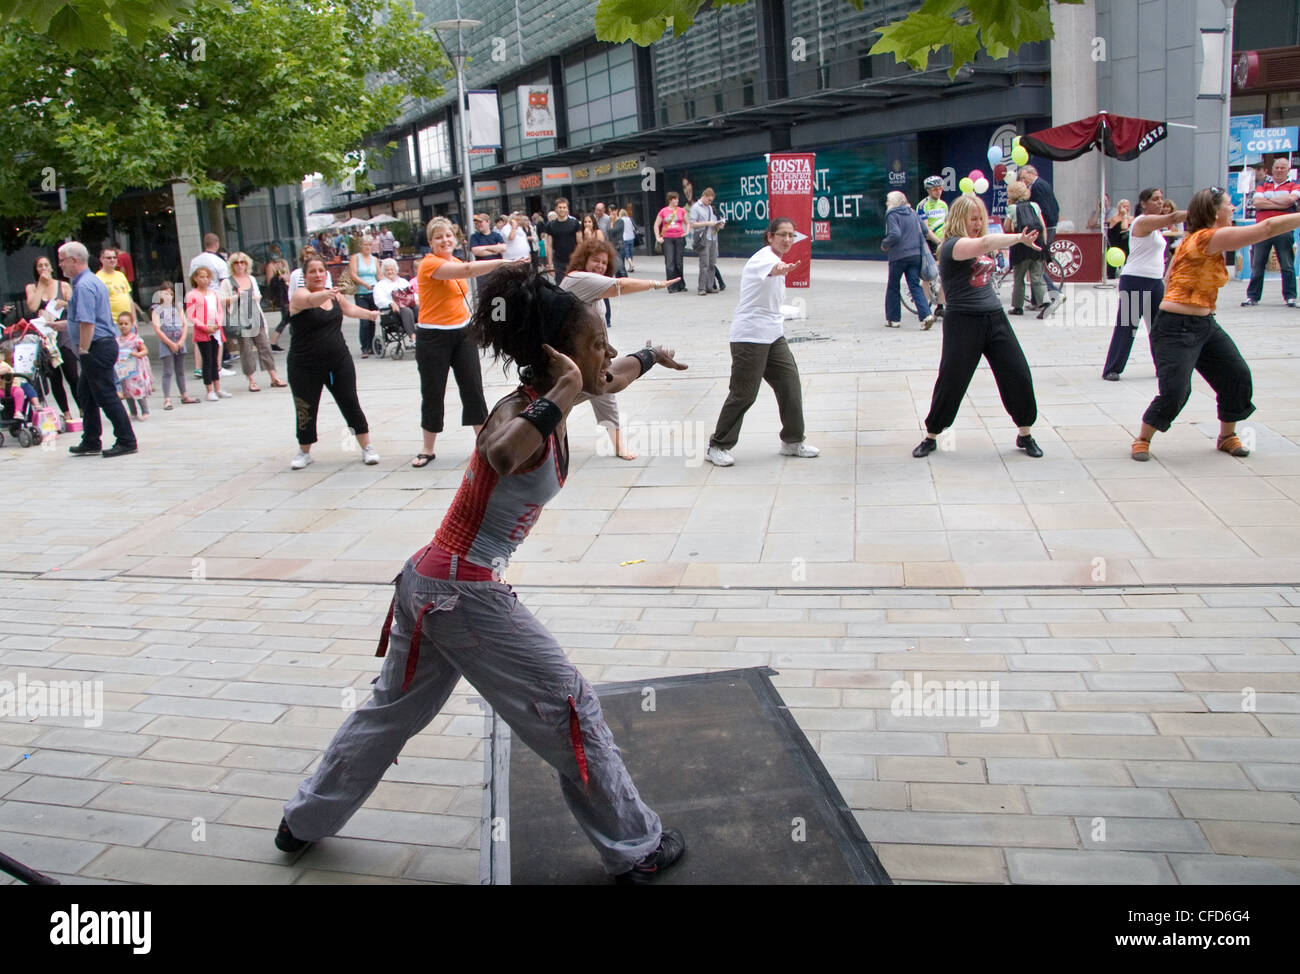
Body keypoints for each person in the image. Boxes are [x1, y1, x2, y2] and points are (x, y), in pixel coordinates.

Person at [274, 262, 689, 884]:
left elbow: (612, 376)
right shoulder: (518, 411)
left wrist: (650, 354)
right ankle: (637, 848)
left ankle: (301, 822)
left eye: (607, 342)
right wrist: (562, 394)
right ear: (557, 355)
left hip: (431, 585)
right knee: (571, 706)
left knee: (390, 713)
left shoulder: (566, 388)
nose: (607, 354)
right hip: (461, 594)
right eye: (595, 341)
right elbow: (502, 452)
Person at [1131, 188, 1300, 461]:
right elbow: (1267, 228)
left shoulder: (1194, 240)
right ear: (1214, 211)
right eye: (1229, 205)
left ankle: (1227, 436)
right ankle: (1142, 438)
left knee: (1237, 375)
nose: (1233, 209)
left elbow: (1169, 276)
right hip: (1175, 328)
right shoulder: (1208, 237)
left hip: (1205, 324)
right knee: (1175, 392)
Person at [912, 195, 1045, 460]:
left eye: (981, 218)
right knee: (952, 379)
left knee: (1016, 372)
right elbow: (983, 242)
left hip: (994, 317)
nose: (978, 223)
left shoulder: (977, 245)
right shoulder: (950, 247)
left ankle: (1025, 432)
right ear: (960, 218)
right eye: (972, 218)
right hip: (963, 321)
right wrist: (1018, 238)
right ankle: (932, 435)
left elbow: (984, 243)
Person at [411, 217, 527, 469]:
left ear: (455, 238)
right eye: (438, 237)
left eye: (448, 236)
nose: (445, 240)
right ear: (430, 242)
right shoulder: (429, 264)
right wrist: (507, 263)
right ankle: (427, 448)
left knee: (473, 389)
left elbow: (463, 285)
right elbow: (468, 272)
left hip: (462, 334)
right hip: (432, 337)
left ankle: (483, 444)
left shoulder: (456, 261)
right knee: (432, 393)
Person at [705, 218, 819, 466]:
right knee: (744, 393)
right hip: (749, 338)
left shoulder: (776, 260)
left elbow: (772, 302)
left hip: (773, 336)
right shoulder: (763, 259)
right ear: (770, 237)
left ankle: (792, 441)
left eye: (791, 235)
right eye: (782, 235)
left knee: (790, 385)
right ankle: (717, 445)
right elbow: (771, 269)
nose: (787, 239)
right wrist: (782, 269)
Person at [561, 237, 676, 459]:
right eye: (595, 261)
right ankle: (549, 441)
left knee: (605, 395)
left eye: (604, 263)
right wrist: (656, 284)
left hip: (593, 357)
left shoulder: (595, 288)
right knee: (564, 400)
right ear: (583, 259)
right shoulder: (576, 279)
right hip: (574, 357)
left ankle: (618, 446)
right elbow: (620, 285)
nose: (600, 266)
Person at [285, 255, 382, 469]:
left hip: (338, 361)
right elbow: (310, 301)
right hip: (304, 365)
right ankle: (304, 451)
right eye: (313, 271)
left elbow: (349, 309)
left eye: (321, 270)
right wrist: (326, 293)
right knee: (305, 408)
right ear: (305, 275)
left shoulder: (334, 296)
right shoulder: (300, 295)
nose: (318, 274)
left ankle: (367, 447)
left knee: (350, 401)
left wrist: (369, 314)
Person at [57, 241, 137, 458]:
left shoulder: (83, 286)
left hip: (96, 347)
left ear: (75, 260)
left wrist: (83, 350)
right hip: (100, 344)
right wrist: (62, 325)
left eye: (62, 260)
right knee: (86, 393)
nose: (60, 265)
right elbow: (84, 319)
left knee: (105, 394)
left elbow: (88, 323)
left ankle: (126, 440)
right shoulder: (90, 281)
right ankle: (91, 439)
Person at [1102, 189, 1186, 380]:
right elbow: (1172, 217)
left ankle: (1164, 365)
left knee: (1159, 326)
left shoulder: (1156, 228)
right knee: (1128, 325)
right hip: (1136, 279)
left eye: (1161, 199)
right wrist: (1199, 211)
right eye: (1155, 199)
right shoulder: (1142, 221)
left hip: (1155, 280)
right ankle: (1112, 368)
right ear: (1144, 203)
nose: (1160, 202)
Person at [26, 256, 80, 426]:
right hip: (46, 337)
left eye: (46, 265)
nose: (43, 268)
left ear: (51, 268)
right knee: (54, 377)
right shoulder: (32, 287)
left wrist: (63, 303)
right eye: (39, 266)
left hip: (63, 334)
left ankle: (83, 408)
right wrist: (41, 286)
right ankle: (66, 412)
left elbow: (76, 307)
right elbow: (33, 307)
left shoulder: (62, 286)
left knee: (72, 374)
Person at [222, 252, 285, 392]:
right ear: (232, 265)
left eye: (242, 262)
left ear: (247, 264)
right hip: (239, 317)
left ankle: (273, 376)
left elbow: (258, 296)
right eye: (236, 263)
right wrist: (236, 297)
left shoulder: (251, 278)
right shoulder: (227, 281)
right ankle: (251, 379)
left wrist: (252, 297)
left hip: (255, 315)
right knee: (246, 349)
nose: (240, 265)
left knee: (265, 346)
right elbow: (222, 299)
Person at [1242, 155, 1299, 307]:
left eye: (1282, 168)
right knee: (1257, 264)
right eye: (1276, 168)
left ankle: (1290, 297)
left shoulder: (1295, 184)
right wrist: (1281, 203)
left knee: (1287, 264)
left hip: (1284, 228)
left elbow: (1291, 200)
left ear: (1288, 170)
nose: (1279, 170)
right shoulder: (1262, 183)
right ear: (1272, 170)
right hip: (1262, 229)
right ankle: (1252, 297)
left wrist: (1268, 201)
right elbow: (1256, 202)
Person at [882, 191, 937, 329]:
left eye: (888, 201)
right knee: (914, 285)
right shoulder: (912, 212)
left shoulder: (892, 214)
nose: (886, 203)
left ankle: (893, 319)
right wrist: (939, 241)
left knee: (893, 286)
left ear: (894, 203)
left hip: (898, 256)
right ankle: (926, 315)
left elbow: (895, 233)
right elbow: (925, 230)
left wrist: (885, 243)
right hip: (916, 255)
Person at [1019, 164, 1064, 316]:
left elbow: (1043, 209)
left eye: (1025, 177)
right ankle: (1035, 301)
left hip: (1045, 227)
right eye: (1022, 178)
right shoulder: (1043, 184)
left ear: (1033, 174)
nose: (1023, 181)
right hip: (1050, 225)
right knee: (1036, 262)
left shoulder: (1037, 187)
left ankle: (1053, 292)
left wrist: (1041, 226)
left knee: (1036, 263)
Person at [185, 266, 230, 401]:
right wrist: (205, 327)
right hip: (203, 333)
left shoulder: (213, 294)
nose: (205, 280)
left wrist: (218, 323)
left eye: (207, 277)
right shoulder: (192, 295)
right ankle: (209, 389)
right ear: (195, 278)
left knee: (216, 360)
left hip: (215, 330)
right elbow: (191, 315)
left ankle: (218, 387)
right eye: (201, 277)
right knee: (207, 360)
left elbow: (219, 311)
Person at [1004, 180, 1048, 315]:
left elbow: (1007, 227)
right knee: (1037, 277)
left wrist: (1009, 208)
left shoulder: (1012, 208)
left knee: (1019, 277)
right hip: (1037, 243)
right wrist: (1044, 244)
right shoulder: (1035, 205)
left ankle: (1018, 307)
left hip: (1021, 245)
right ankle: (1045, 303)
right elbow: (1043, 225)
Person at [151, 283, 197, 409]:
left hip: (179, 340)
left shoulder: (177, 307)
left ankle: (184, 394)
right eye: (165, 293)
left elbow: (184, 325)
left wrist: (182, 340)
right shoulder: (156, 309)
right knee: (167, 371)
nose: (168, 296)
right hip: (167, 342)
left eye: (170, 294)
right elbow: (157, 328)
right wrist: (170, 343)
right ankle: (167, 399)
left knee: (180, 371)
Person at [347, 235, 381, 358]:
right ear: (361, 246)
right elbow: (353, 274)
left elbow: (378, 275)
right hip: (361, 292)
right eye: (365, 245)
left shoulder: (374, 259)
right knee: (364, 320)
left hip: (373, 291)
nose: (367, 247)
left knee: (372, 319)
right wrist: (364, 284)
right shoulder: (356, 258)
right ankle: (364, 347)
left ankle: (371, 345)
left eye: (369, 245)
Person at [115, 311, 152, 419]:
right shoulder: (117, 340)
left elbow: (145, 350)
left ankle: (145, 411)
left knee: (138, 389)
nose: (123, 326)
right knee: (127, 391)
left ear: (131, 324)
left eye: (126, 324)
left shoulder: (135, 338)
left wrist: (136, 354)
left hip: (136, 370)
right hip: (123, 370)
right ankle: (133, 412)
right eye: (121, 324)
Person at [372, 257, 417, 339]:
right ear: (384, 272)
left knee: (419, 308)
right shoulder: (380, 285)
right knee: (406, 310)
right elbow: (379, 300)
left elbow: (412, 293)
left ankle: (426, 334)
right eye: (387, 270)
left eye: (392, 269)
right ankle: (413, 337)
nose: (390, 272)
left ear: (396, 270)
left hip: (408, 307)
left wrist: (417, 300)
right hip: (392, 312)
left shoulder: (403, 282)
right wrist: (390, 303)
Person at [690, 188, 724, 296]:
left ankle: (710, 286)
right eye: (709, 200)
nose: (710, 202)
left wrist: (718, 224)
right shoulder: (696, 207)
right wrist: (706, 223)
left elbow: (713, 221)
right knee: (704, 264)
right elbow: (692, 224)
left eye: (711, 200)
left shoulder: (709, 208)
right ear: (704, 196)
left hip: (713, 237)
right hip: (703, 238)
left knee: (712, 263)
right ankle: (702, 287)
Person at [655, 192, 690, 294]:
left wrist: (687, 232)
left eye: (677, 199)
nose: (677, 200)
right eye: (675, 199)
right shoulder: (663, 211)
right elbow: (656, 224)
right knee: (670, 263)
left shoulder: (681, 211)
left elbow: (687, 223)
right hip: (667, 239)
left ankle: (681, 284)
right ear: (670, 200)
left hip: (679, 238)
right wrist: (658, 237)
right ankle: (671, 286)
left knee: (679, 263)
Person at [542, 199, 580, 284]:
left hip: (573, 261)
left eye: (564, 207)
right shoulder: (550, 225)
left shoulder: (575, 223)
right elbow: (549, 246)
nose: (562, 209)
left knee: (575, 285)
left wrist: (579, 260)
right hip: (558, 261)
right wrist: (550, 264)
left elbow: (580, 244)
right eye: (560, 207)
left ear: (567, 209)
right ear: (556, 209)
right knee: (561, 286)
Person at [96, 249, 135, 325]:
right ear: (101, 259)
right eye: (109, 258)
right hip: (112, 323)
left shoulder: (121, 275)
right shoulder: (97, 278)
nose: (112, 260)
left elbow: (129, 299)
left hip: (128, 322)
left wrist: (134, 319)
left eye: (114, 257)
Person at [265, 254, 291, 349]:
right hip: (281, 295)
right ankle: (273, 342)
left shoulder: (284, 262)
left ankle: (274, 342)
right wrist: (278, 278)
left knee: (288, 318)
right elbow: (270, 282)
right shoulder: (270, 266)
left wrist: (285, 277)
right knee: (286, 319)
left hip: (287, 292)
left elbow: (289, 276)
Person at [614, 207, 637, 273]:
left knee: (626, 252)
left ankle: (631, 264)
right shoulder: (630, 219)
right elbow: (633, 228)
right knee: (630, 252)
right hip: (631, 237)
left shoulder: (620, 220)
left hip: (624, 238)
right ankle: (630, 267)